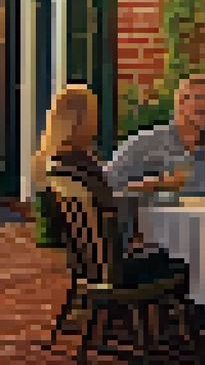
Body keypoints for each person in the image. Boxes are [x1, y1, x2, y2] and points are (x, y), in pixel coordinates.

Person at [34, 85, 185, 286]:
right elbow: (110, 209)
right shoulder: (82, 164)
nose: (97, 121)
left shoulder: (59, 162)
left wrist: (145, 186)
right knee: (179, 259)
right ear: (80, 121)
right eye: (93, 115)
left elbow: (102, 200)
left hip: (87, 263)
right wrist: (158, 185)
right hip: (111, 267)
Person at [107, 74, 205, 197]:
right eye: (198, 98)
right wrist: (158, 183)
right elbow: (105, 183)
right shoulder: (146, 141)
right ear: (180, 101)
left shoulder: (204, 148)